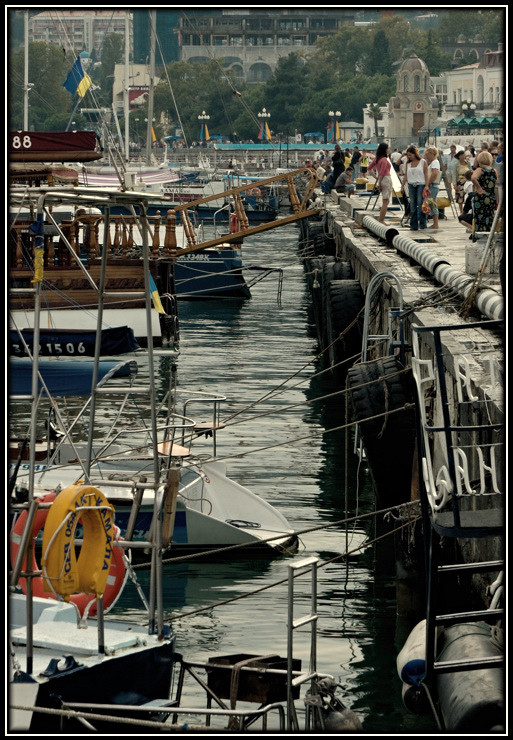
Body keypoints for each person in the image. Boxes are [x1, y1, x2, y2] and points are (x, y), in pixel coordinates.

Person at [401, 144, 429, 231]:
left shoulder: (423, 162)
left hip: (420, 184)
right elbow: (406, 175)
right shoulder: (408, 163)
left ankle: (423, 223)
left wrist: (427, 185)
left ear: (415, 154)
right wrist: (402, 186)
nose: (409, 157)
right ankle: (413, 225)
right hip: (411, 184)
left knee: (420, 203)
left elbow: (426, 174)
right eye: (408, 155)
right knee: (412, 204)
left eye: (411, 155)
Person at [471, 151, 497, 232]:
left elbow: (473, 178)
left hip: (481, 197)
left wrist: (478, 188)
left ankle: (480, 234)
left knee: (480, 217)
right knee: (489, 216)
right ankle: (489, 234)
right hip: (491, 197)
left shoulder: (480, 169)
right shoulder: (494, 171)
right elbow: (496, 185)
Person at [367, 142, 393, 224]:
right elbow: (382, 172)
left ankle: (381, 219)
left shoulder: (377, 159)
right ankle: (381, 220)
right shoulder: (384, 160)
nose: (389, 150)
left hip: (382, 179)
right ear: (385, 150)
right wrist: (379, 181)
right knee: (386, 201)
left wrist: (376, 177)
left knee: (384, 200)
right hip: (386, 179)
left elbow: (369, 168)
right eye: (388, 148)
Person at [423, 146, 441, 230]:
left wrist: (428, 183)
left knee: (431, 203)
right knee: (433, 203)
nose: (426, 156)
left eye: (427, 154)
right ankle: (435, 223)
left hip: (432, 185)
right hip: (434, 186)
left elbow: (434, 173)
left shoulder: (434, 163)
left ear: (431, 154)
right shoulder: (434, 162)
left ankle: (435, 223)